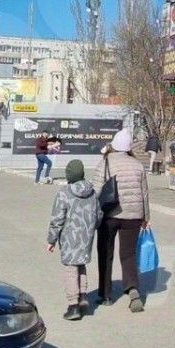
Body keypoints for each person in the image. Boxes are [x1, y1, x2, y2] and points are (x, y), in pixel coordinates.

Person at [94, 129, 150, 312]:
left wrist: (92, 215)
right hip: (133, 216)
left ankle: (105, 295)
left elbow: (96, 190)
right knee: (129, 255)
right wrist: (146, 217)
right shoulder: (137, 164)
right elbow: (144, 193)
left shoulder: (105, 162)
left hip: (109, 215)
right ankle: (133, 291)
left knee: (105, 253)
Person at [46, 160, 101, 321]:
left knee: (71, 269)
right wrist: (92, 228)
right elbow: (99, 214)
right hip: (86, 237)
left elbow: (57, 219)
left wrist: (51, 240)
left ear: (69, 175)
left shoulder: (64, 193)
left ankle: (73, 305)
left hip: (69, 237)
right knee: (81, 265)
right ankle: (83, 296)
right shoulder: (92, 192)